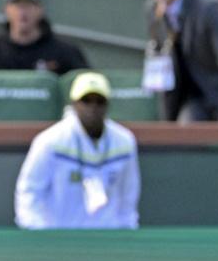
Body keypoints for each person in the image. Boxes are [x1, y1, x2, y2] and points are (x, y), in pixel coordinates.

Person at [14, 72, 140, 229]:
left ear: (107, 105)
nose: (93, 108)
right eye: (86, 101)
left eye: (99, 102)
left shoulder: (125, 141)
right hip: (60, 238)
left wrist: (127, 230)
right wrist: (39, 234)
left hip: (109, 238)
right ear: (74, 104)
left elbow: (128, 196)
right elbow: (30, 191)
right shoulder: (50, 141)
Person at [0, 0, 88, 74]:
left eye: (28, 5)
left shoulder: (64, 52)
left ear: (40, 10)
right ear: (6, 10)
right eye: (17, 6)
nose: (22, 12)